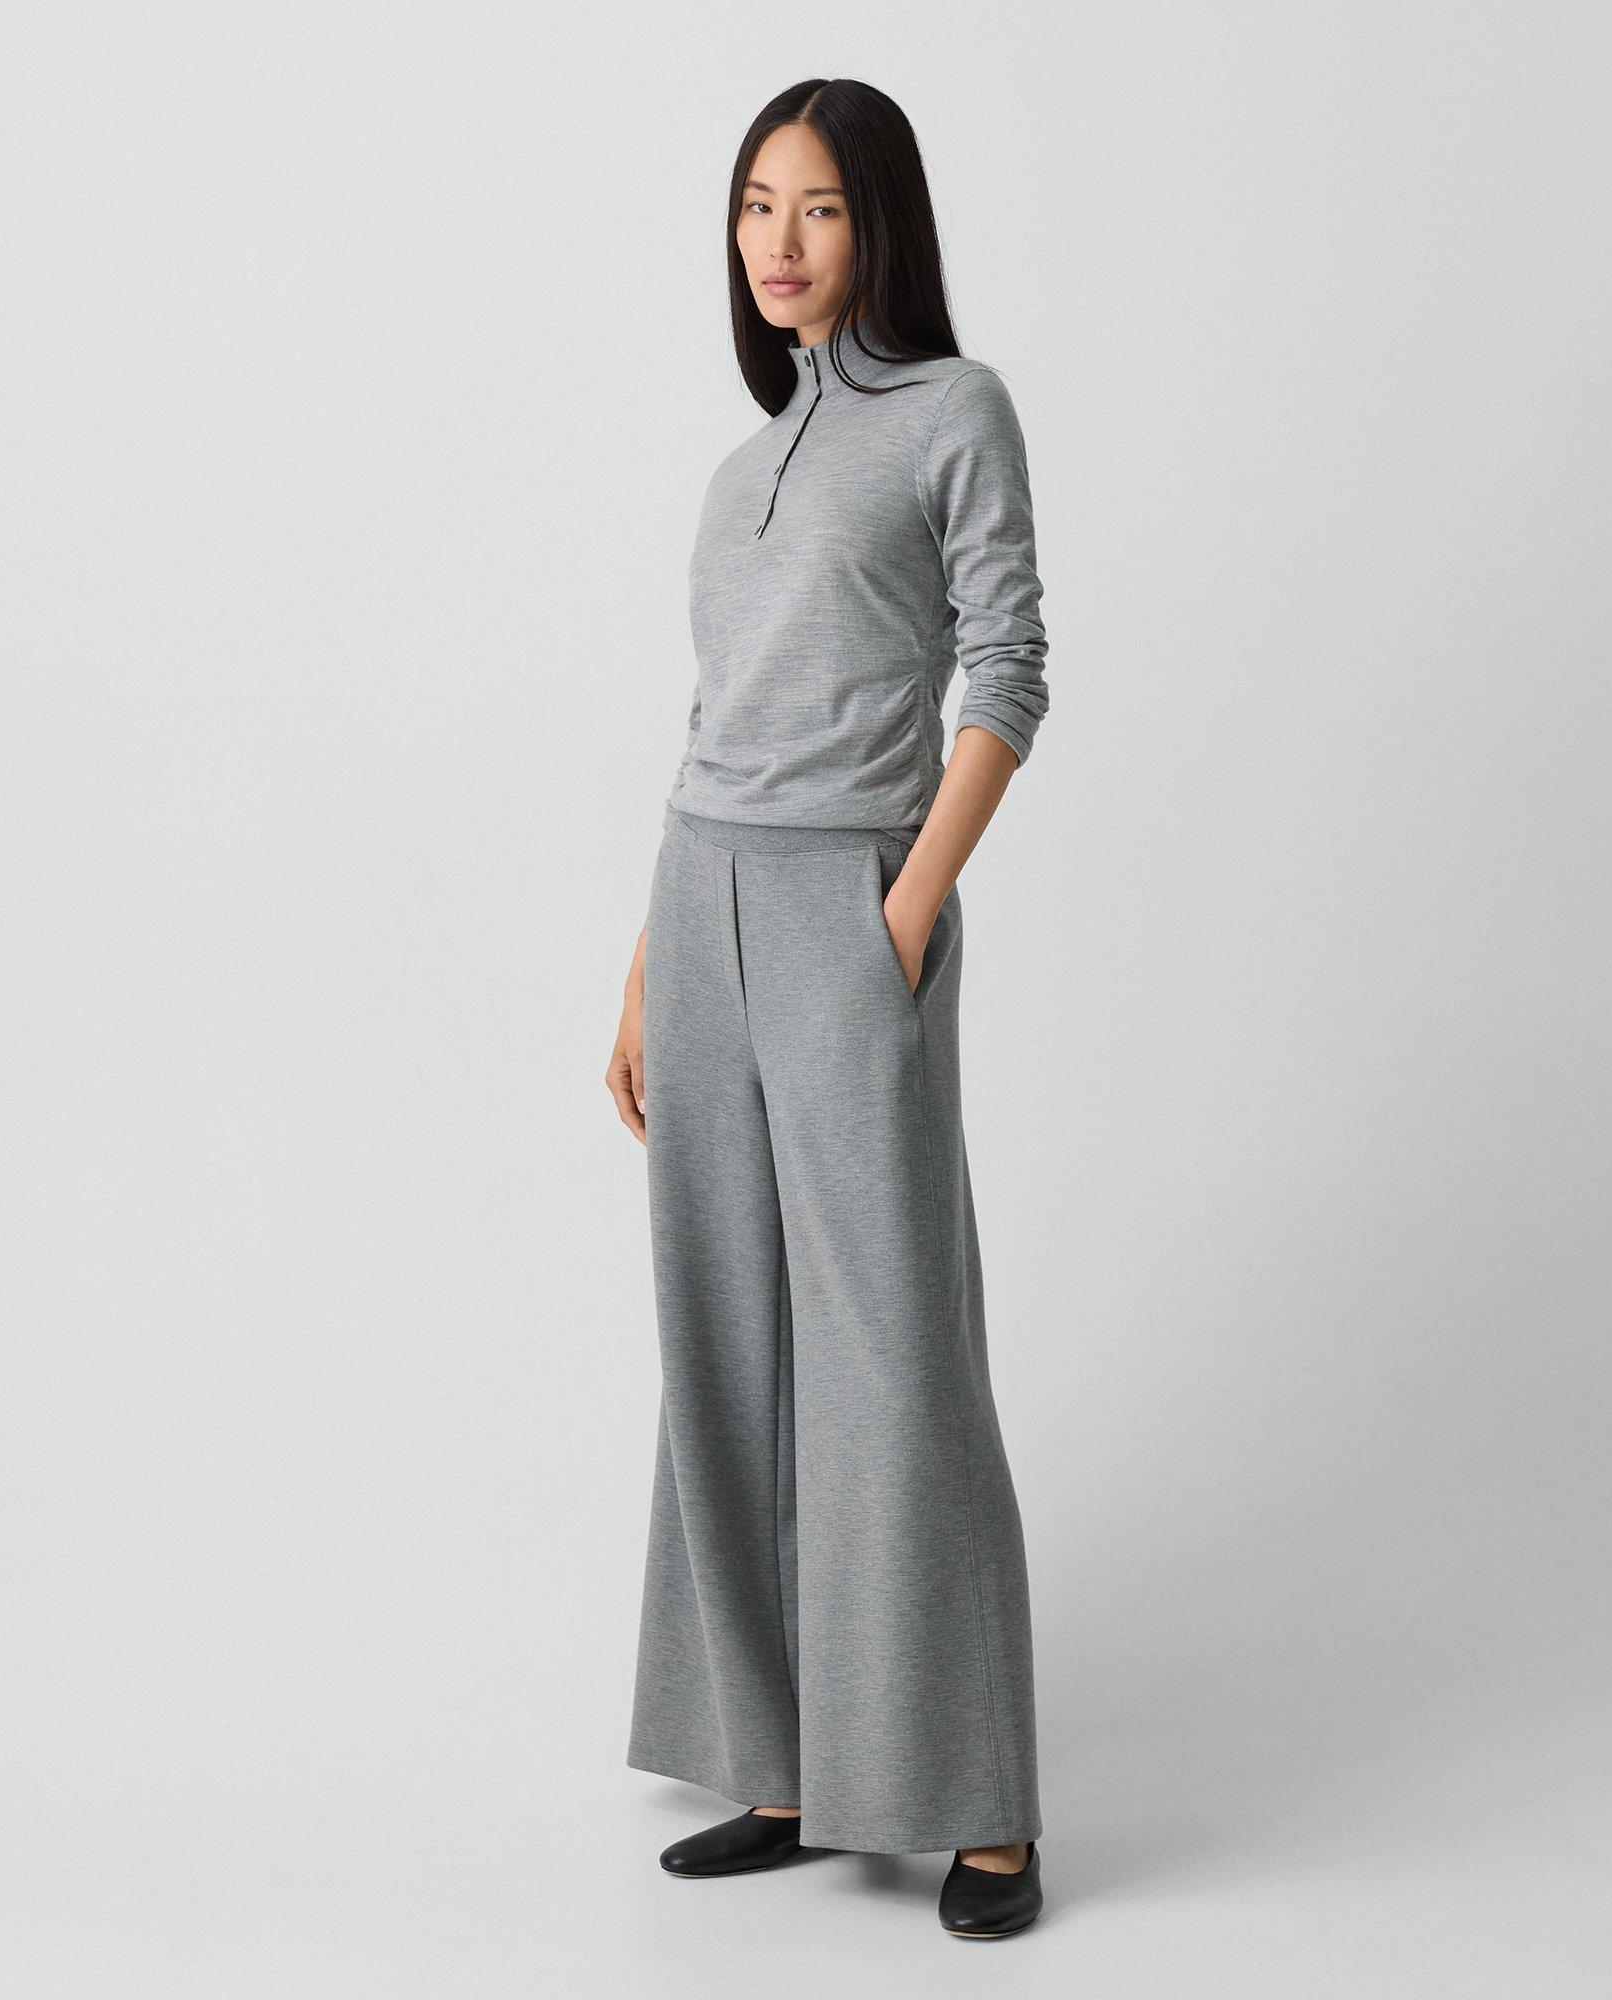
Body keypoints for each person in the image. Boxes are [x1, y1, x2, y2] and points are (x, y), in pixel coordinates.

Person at [605, 76, 1052, 1942]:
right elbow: (716, 722)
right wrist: (648, 961)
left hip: (850, 900)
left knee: (893, 1352)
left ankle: (983, 1809)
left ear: (882, 223)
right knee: (724, 1333)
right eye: (754, 207)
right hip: (700, 893)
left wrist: (906, 910)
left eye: (818, 208)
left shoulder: (956, 411)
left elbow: (1007, 668)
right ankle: (780, 1764)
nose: (778, 243)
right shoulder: (747, 464)